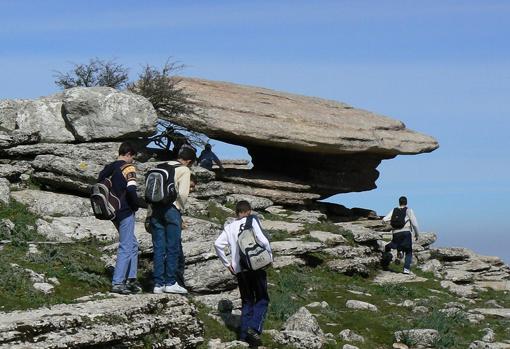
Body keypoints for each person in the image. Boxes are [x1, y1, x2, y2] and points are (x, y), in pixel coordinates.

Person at [214, 201, 272, 346]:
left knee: (247, 301)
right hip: (256, 265)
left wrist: (227, 264)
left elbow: (217, 244)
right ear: (249, 211)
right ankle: (255, 327)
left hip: (240, 269)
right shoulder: (252, 220)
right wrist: (270, 257)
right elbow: (263, 240)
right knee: (262, 298)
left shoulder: (229, 227)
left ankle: (242, 337)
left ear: (236, 212)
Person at [98, 142, 142, 294]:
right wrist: (136, 205)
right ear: (129, 154)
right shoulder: (128, 168)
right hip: (125, 210)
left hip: (111, 211)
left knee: (133, 243)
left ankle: (131, 278)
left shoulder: (109, 168)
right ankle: (118, 282)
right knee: (126, 245)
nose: (133, 161)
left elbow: (100, 182)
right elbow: (131, 189)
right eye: (133, 157)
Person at [150, 146, 196, 294]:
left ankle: (158, 284)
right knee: (173, 246)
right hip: (171, 209)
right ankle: (170, 282)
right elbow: (182, 193)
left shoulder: (159, 166)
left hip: (155, 209)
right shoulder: (184, 170)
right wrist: (180, 209)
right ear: (188, 161)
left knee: (158, 247)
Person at [382, 196, 420, 274]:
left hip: (395, 233)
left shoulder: (394, 210)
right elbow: (414, 223)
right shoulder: (409, 210)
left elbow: (384, 219)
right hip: (406, 232)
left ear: (399, 202)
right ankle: (406, 269)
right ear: (406, 202)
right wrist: (417, 234)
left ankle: (385, 264)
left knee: (389, 246)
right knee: (409, 251)